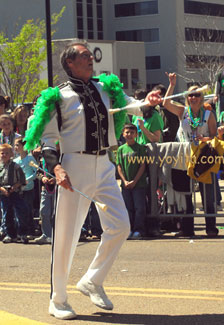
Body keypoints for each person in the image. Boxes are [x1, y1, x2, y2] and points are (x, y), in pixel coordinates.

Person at [24, 39, 162, 320]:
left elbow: (131, 107)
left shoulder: (105, 87)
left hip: (104, 164)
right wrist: (56, 168)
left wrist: (148, 103)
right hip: (75, 165)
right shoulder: (58, 97)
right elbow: (48, 139)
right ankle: (58, 299)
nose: (91, 60)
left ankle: (92, 280)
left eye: (90, 56)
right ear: (70, 63)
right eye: (85, 56)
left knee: (121, 226)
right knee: (65, 237)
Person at [163, 72, 218, 237]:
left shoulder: (208, 115)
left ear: (201, 98)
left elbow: (215, 137)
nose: (193, 97)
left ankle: (211, 227)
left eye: (197, 95)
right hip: (185, 155)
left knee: (207, 194)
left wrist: (205, 138)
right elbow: (165, 103)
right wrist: (172, 84)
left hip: (203, 157)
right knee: (185, 193)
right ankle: (187, 228)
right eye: (190, 95)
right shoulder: (183, 112)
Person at [132, 89, 164, 237]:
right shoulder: (135, 115)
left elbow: (155, 138)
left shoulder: (155, 116)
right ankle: (140, 224)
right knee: (140, 191)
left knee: (152, 191)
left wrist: (143, 128)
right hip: (137, 155)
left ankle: (154, 225)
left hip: (151, 154)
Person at [116, 124, 147, 239]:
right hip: (126, 185)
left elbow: (142, 165)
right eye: (127, 132)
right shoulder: (120, 149)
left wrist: (134, 181)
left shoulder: (140, 148)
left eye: (132, 132)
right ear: (123, 134)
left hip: (138, 184)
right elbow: (119, 166)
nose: (129, 135)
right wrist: (124, 181)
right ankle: (128, 229)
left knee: (139, 207)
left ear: (136, 134)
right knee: (128, 208)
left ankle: (139, 229)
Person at [0, 143, 28, 243]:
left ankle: (23, 234)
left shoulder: (16, 166)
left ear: (11, 154)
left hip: (15, 193)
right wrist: (2, 189)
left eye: (6, 153)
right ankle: (10, 234)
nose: (4, 155)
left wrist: (15, 187)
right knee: (7, 214)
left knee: (20, 213)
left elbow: (22, 179)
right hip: (4, 194)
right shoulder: (0, 167)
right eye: (2, 153)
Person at [14, 137, 37, 237]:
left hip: (28, 188)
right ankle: (21, 231)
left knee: (28, 209)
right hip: (19, 189)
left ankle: (31, 231)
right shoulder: (16, 160)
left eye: (17, 145)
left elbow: (36, 171)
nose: (15, 147)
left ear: (24, 146)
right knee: (19, 210)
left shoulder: (30, 158)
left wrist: (27, 180)